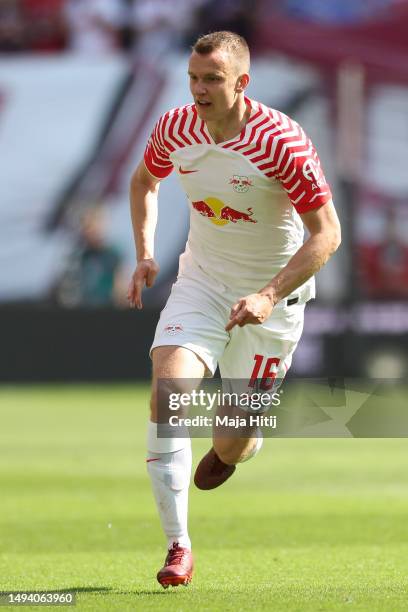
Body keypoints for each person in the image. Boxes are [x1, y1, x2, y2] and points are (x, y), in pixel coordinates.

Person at [127, 31, 341, 588]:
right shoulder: (176, 127)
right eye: (193, 78)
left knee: (232, 441)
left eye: (212, 80)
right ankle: (179, 547)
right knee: (167, 393)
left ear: (241, 83)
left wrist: (268, 294)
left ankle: (239, 446)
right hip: (202, 282)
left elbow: (327, 235)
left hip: (272, 300)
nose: (198, 90)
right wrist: (147, 253)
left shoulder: (283, 141)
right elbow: (144, 182)